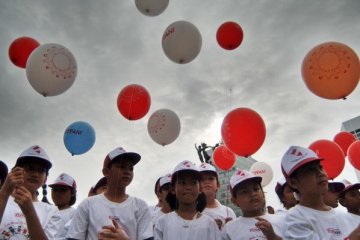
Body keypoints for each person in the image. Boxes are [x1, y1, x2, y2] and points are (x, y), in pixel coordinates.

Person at [67, 146, 153, 240]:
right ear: (106, 172)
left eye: (130, 168)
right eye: (121, 166)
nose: (127, 172)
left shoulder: (141, 206)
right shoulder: (87, 205)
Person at [281, 145, 360, 239]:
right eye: (310, 170)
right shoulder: (295, 218)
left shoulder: (348, 218)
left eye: (320, 167)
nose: (320, 173)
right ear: (293, 183)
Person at [0, 145, 62, 239]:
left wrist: (29, 212)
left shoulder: (52, 212)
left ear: (45, 179)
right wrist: (4, 193)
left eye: (41, 170)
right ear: (15, 171)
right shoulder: (3, 198)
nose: (35, 174)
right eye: (30, 168)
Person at [154, 160, 221, 240]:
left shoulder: (210, 224)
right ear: (172, 189)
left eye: (193, 183)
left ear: (200, 189)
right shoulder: (162, 222)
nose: (188, 187)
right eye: (182, 183)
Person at [222, 169, 283, 240]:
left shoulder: (282, 220)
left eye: (256, 189)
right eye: (244, 192)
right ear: (234, 201)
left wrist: (273, 237)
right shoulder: (229, 229)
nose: (253, 194)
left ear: (263, 193)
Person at [198, 162, 236, 230]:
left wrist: (231, 229)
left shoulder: (228, 211)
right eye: (202, 179)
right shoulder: (192, 212)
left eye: (211, 178)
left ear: (218, 184)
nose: (207, 182)